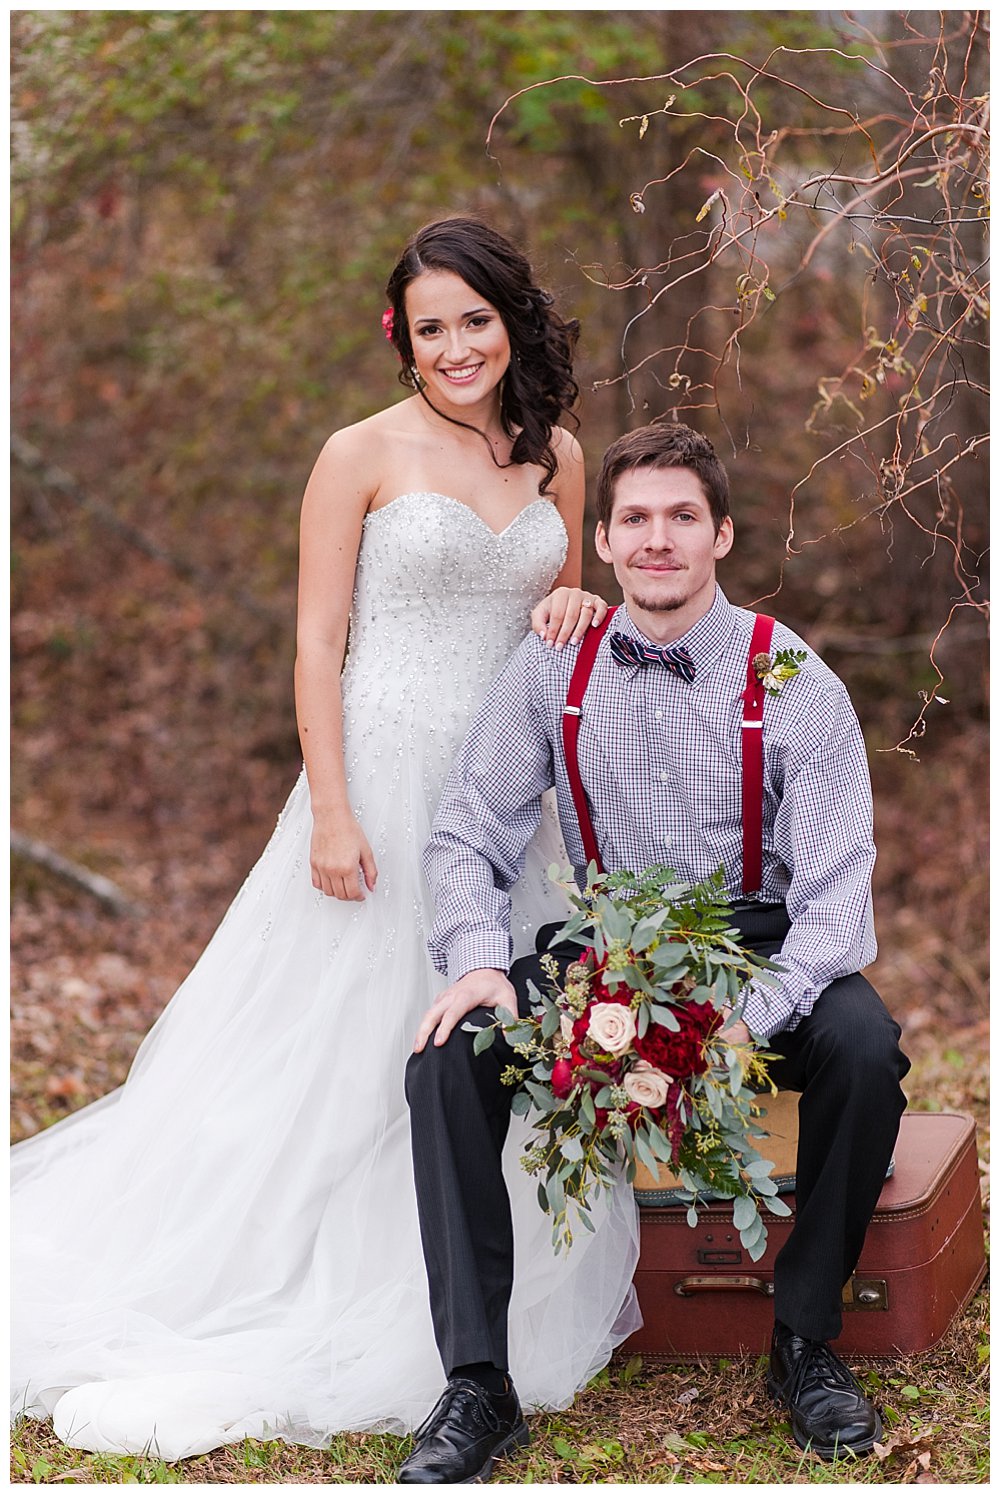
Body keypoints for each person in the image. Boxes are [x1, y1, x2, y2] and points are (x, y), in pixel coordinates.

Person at [10, 217, 642, 1461]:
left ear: (511, 320)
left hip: (513, 796)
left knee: (494, 1024)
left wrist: (584, 598)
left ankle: (485, 1272)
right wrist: (334, 808)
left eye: (474, 318)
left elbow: (561, 619)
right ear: (399, 338)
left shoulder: (559, 456)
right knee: (351, 1036)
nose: (455, 346)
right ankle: (335, 1275)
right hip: (384, 775)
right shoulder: (356, 453)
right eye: (430, 326)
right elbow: (315, 643)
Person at [404, 420, 911, 1482]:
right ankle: (477, 1383)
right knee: (448, 1055)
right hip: (604, 953)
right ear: (606, 537)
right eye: (634, 519)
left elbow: (832, 905)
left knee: (864, 1050)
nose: (658, 539)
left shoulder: (795, 683)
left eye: (683, 516)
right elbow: (467, 826)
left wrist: (744, 1019)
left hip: (758, 944)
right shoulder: (550, 669)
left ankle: (804, 1343)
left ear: (720, 535)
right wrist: (479, 956)